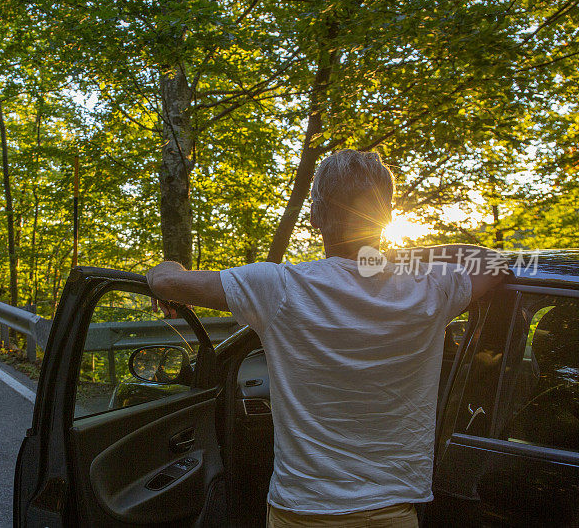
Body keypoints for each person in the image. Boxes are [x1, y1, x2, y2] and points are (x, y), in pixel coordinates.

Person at [146, 149, 509, 527]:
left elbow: (167, 282)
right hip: (394, 512)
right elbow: (495, 263)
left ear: (315, 217)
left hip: (303, 512)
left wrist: (166, 266)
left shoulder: (279, 287)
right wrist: (396, 258)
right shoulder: (428, 288)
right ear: (387, 216)